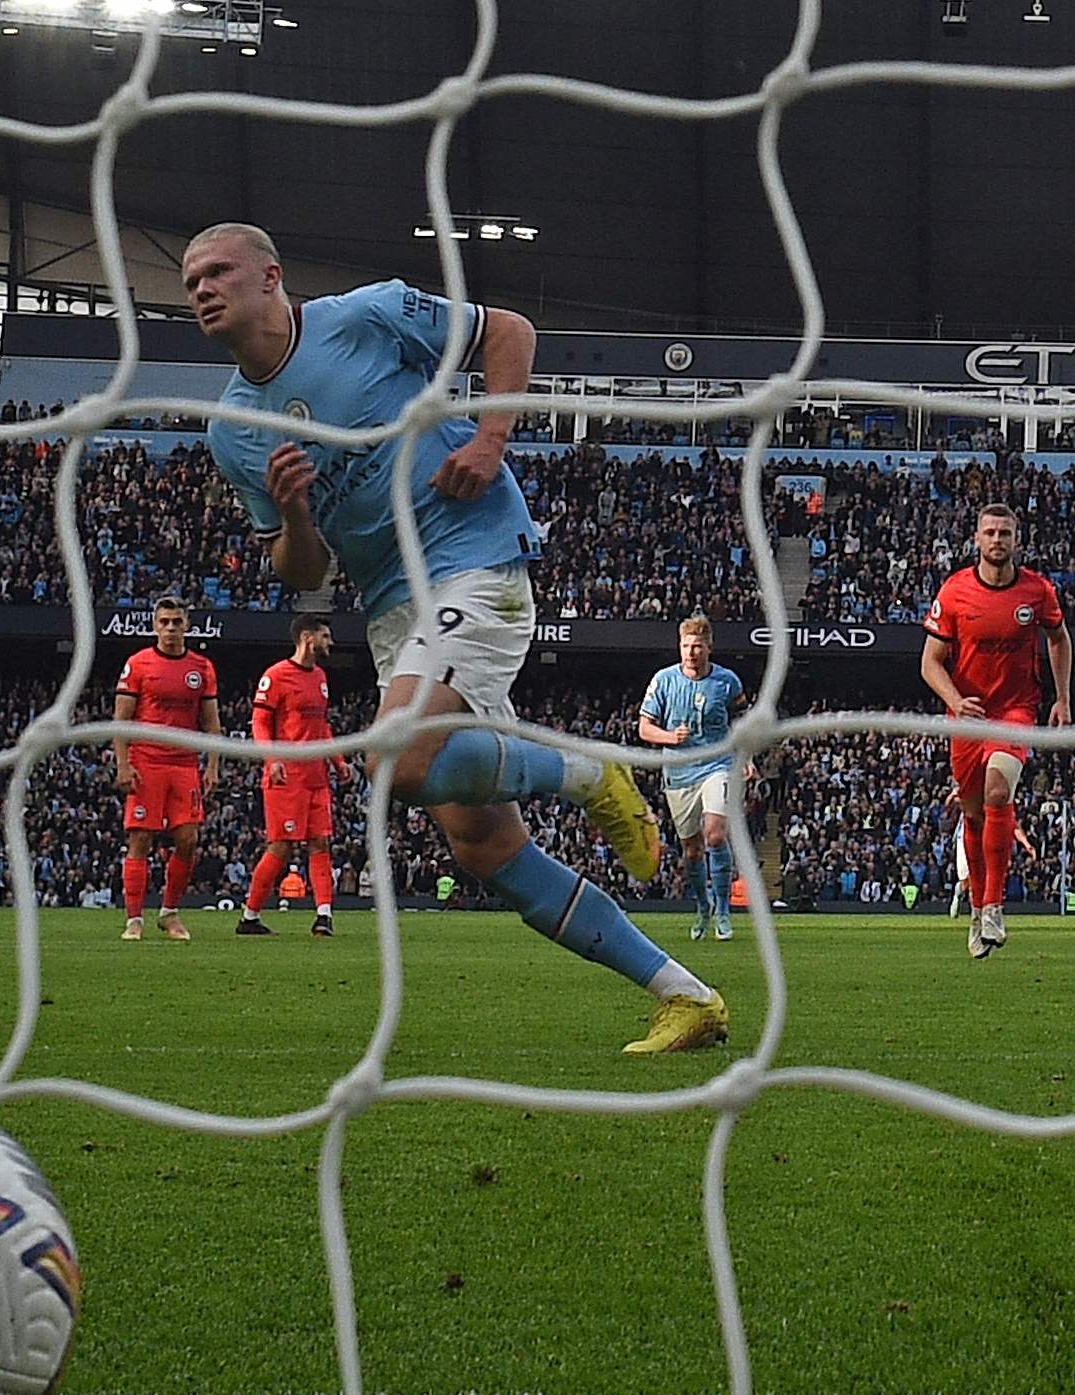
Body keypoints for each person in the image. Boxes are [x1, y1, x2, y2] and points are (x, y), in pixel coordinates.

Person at [183, 223, 704, 1052]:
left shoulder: (366, 315)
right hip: (395, 609)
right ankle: (685, 995)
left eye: (218, 272)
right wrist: (290, 516)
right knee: (483, 842)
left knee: (400, 759)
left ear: (271, 276)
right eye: (190, 281)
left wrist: (492, 440)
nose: (202, 289)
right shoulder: (231, 430)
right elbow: (302, 571)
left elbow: (509, 330)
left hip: (475, 556)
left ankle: (587, 770)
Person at [922, 502, 1073, 959]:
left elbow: (1059, 638)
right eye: (990, 533)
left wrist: (1062, 697)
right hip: (966, 716)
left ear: (1016, 540)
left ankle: (994, 906)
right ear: (977, 539)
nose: (997, 540)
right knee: (971, 814)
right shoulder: (954, 592)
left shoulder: (1037, 591)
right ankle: (975, 906)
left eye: (1005, 533)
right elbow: (929, 662)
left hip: (1015, 710)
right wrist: (954, 701)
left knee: (997, 793)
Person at [111, 595, 219, 944]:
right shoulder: (138, 664)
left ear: (187, 625)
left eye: (176, 622)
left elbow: (211, 724)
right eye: (164, 622)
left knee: (188, 839)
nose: (170, 628)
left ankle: (169, 912)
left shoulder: (201, 667)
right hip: (146, 761)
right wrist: (123, 764)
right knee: (140, 837)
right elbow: (121, 720)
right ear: (155, 625)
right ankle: (134, 919)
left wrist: (213, 766)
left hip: (184, 763)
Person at [638, 616, 749, 944]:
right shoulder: (664, 680)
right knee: (691, 850)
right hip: (679, 771)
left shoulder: (727, 682)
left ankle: (724, 911)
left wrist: (746, 759)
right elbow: (644, 728)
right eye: (686, 646)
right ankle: (703, 907)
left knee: (715, 835)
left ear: (709, 648)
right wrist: (670, 737)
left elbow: (743, 723)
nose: (691, 652)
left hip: (718, 764)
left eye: (697, 646)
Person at [241, 613, 342, 936]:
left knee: (321, 842)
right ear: (308, 638)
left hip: (316, 775)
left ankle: (323, 916)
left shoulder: (321, 677)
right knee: (281, 846)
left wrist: (338, 762)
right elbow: (259, 722)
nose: (331, 643)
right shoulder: (276, 675)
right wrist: (272, 759)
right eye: (325, 636)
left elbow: (321, 725)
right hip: (287, 775)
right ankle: (249, 917)